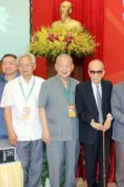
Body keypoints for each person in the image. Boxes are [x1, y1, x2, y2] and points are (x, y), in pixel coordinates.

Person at [0, 53, 45, 187]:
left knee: (36, 167)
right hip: (19, 134)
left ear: (34, 66)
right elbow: (7, 110)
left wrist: (46, 130)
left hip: (37, 132)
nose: (25, 67)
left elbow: (45, 108)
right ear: (18, 67)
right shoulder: (10, 86)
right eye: (21, 65)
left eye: (28, 64)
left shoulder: (42, 83)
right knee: (21, 167)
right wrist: (10, 131)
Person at [38, 54, 80, 187]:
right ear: (56, 67)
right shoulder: (47, 84)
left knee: (71, 167)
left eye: (67, 65)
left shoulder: (77, 85)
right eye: (61, 65)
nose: (64, 68)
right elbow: (41, 108)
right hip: (54, 133)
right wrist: (45, 130)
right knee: (55, 168)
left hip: (73, 133)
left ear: (72, 67)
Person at [75, 59, 113, 187]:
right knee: (90, 165)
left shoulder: (108, 85)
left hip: (105, 131)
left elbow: (110, 106)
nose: (96, 75)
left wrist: (109, 118)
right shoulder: (80, 88)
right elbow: (79, 111)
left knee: (104, 164)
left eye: (99, 72)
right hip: (89, 131)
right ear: (88, 72)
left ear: (103, 72)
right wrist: (92, 122)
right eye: (93, 72)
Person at [0, 53, 18, 137]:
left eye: (11, 63)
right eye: (4, 63)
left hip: (21, 129)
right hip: (0, 128)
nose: (7, 66)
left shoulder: (23, 81)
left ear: (17, 65)